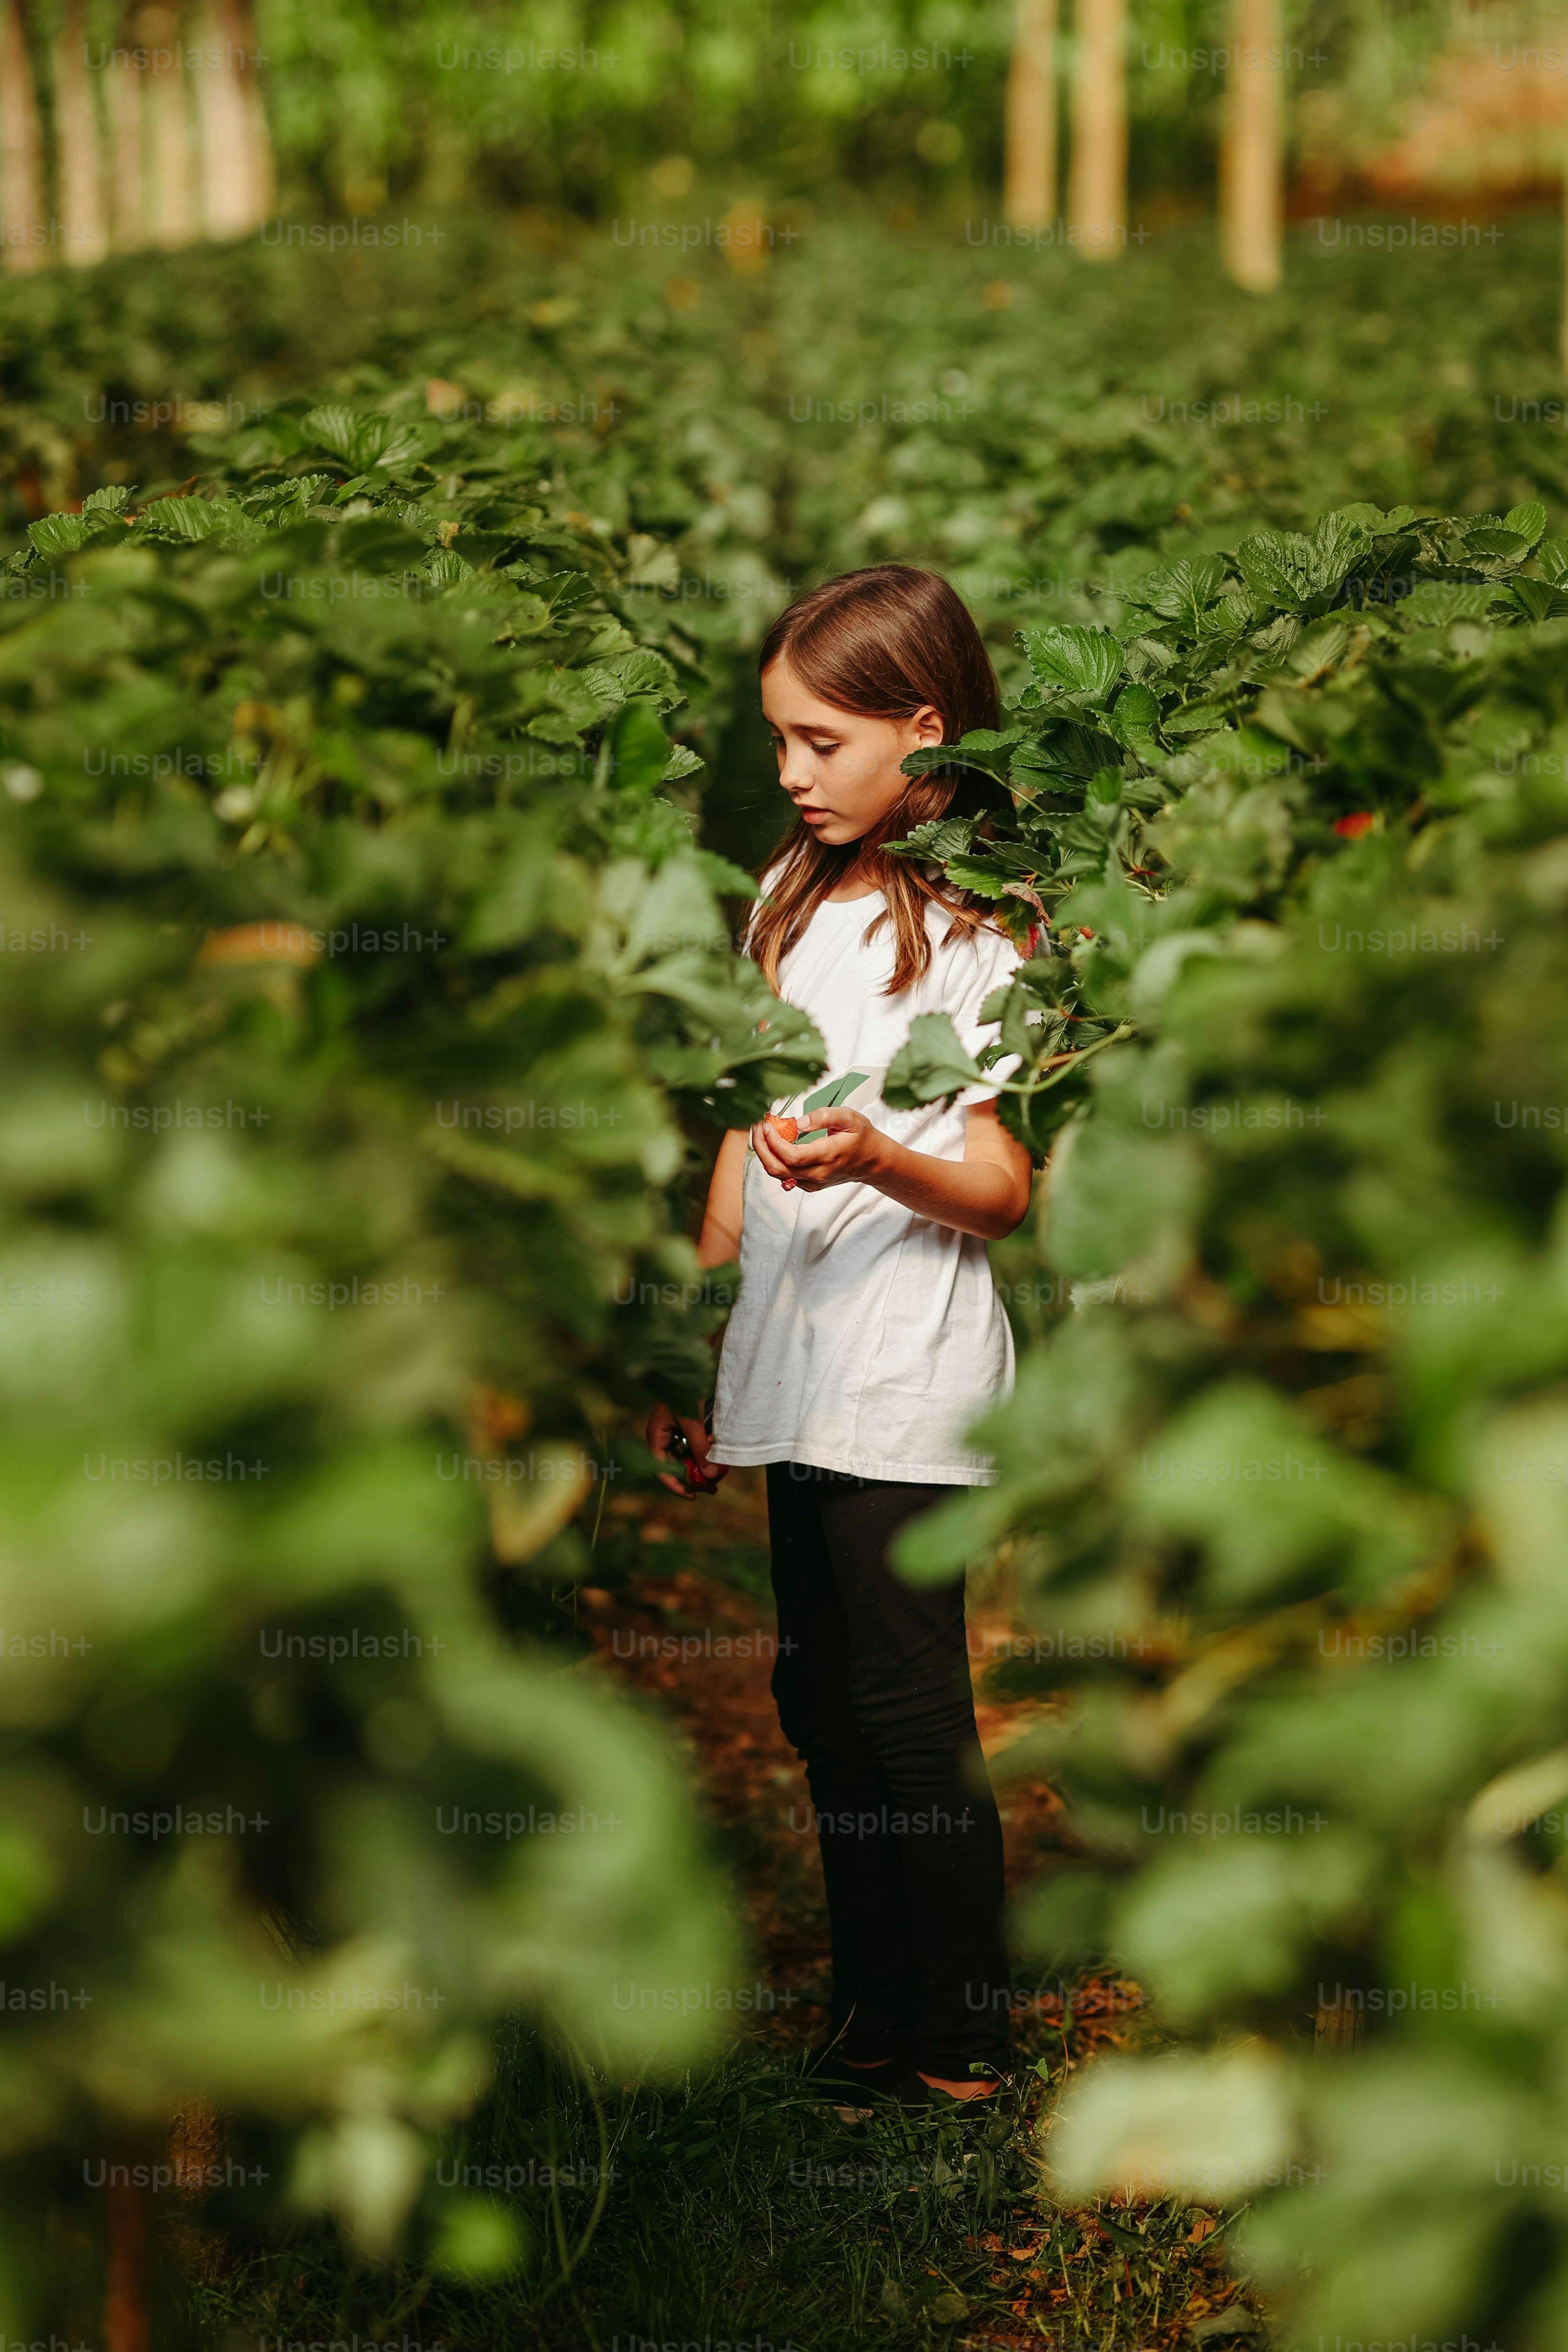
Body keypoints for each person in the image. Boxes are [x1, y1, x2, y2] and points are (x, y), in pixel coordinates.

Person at [646, 564, 1031, 2110]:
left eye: (823, 742)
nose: (793, 774)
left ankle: (965, 2028)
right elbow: (743, 1141)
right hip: (793, 1361)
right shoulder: (784, 901)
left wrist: (878, 1157)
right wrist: (698, 1343)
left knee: (905, 1703)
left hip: (909, 1366)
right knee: (819, 1700)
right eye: (779, 743)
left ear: (923, 733)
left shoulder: (980, 928)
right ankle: (875, 2010)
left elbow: (1001, 1186)